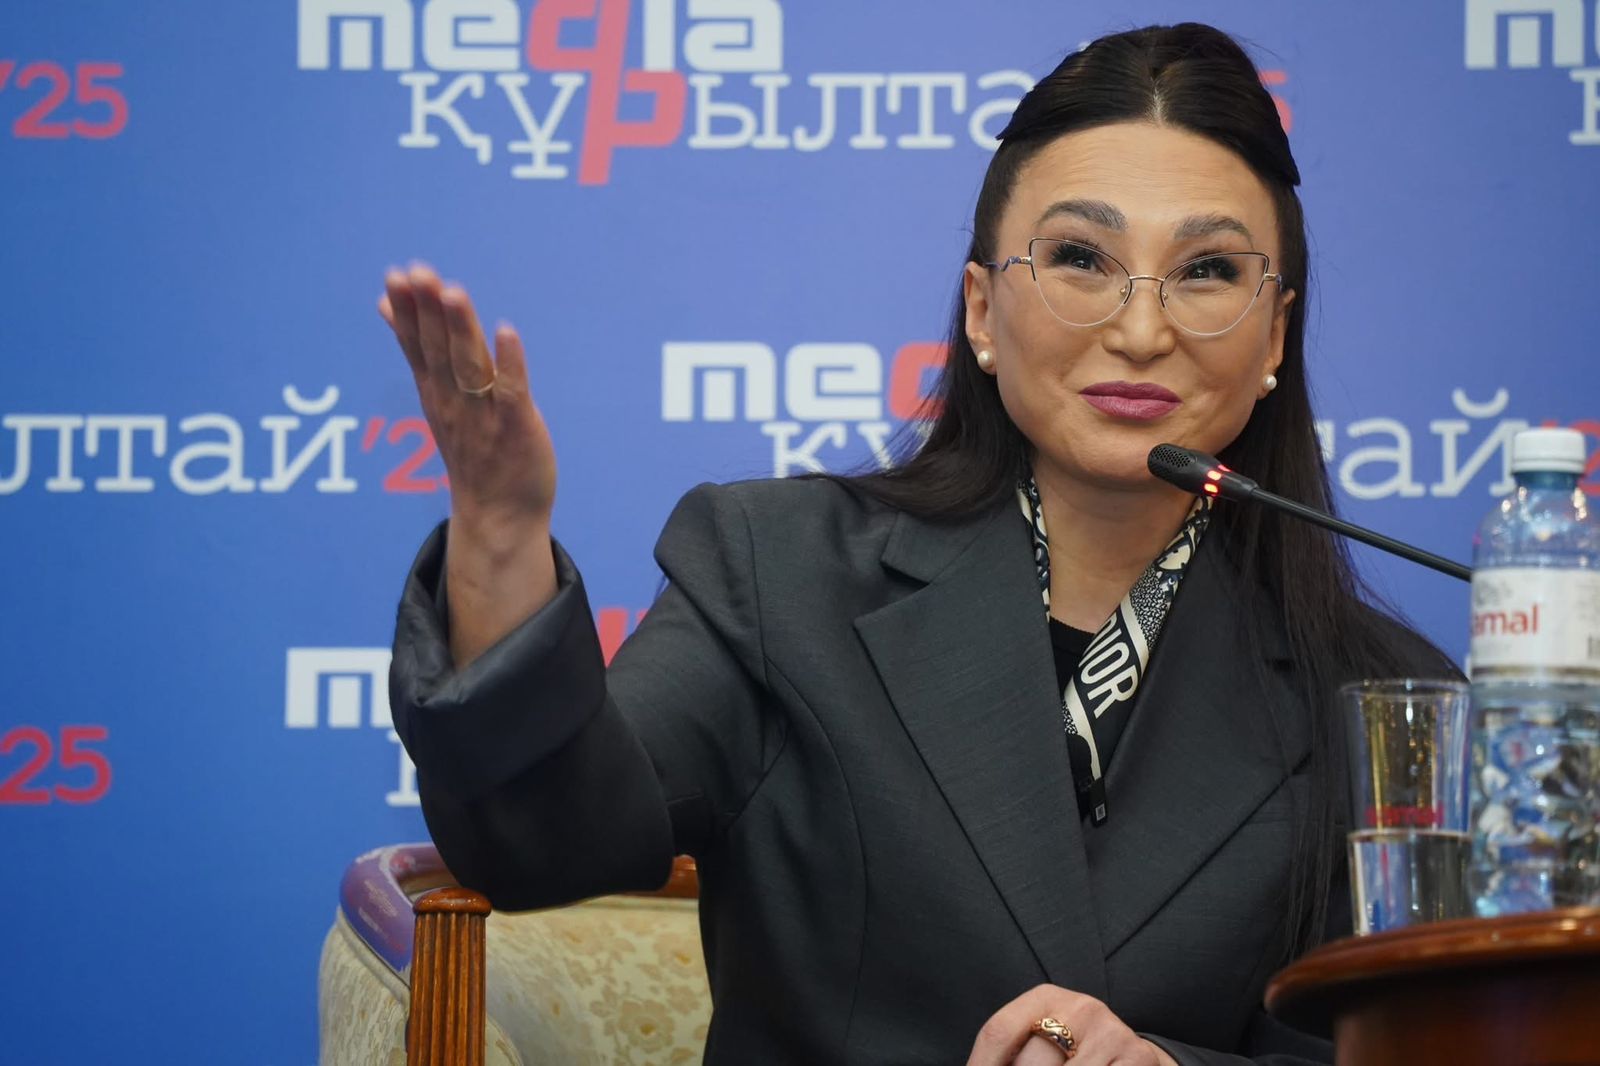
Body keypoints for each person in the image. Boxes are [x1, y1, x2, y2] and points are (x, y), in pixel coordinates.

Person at [379, 22, 1452, 1066]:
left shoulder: (1381, 699)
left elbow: (1406, 1045)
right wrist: (502, 544)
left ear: (1273, 333)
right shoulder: (778, 573)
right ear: (982, 310)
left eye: (1206, 270)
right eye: (1080, 257)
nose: (1140, 329)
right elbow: (539, 840)